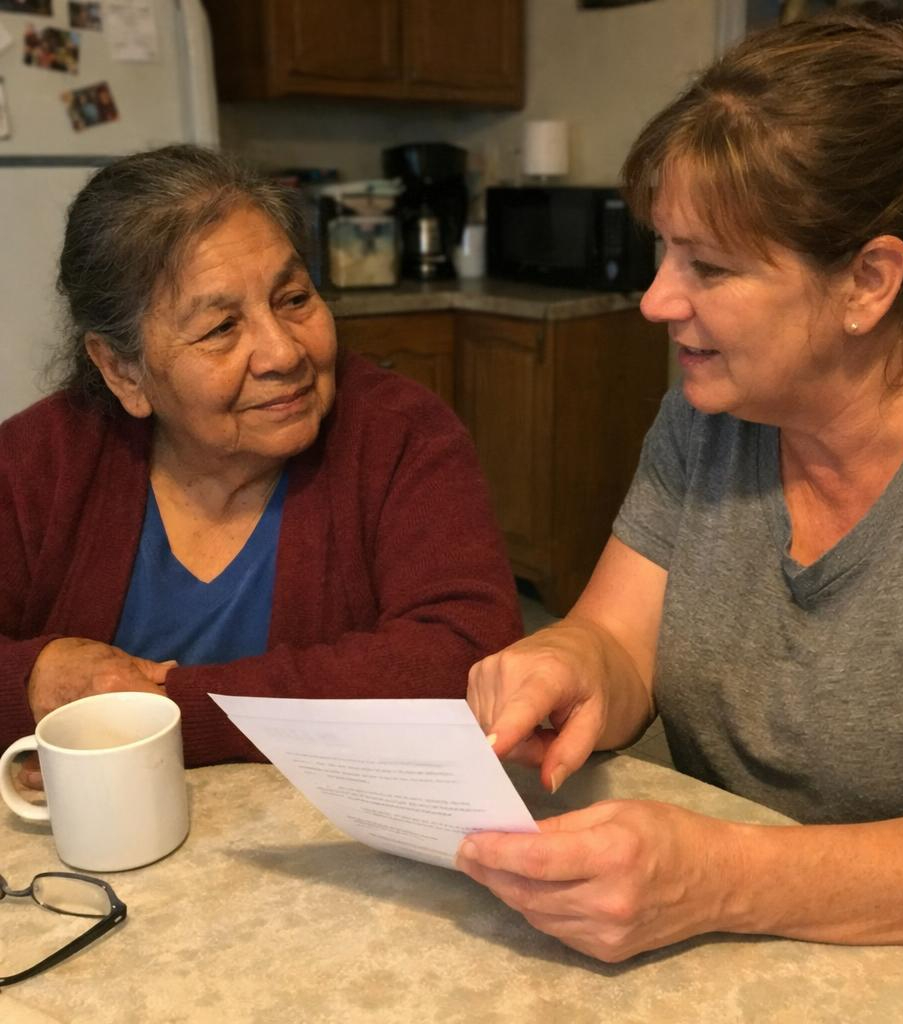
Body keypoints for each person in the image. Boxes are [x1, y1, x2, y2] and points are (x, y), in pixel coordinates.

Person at [457, 7, 903, 1007]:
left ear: (868, 280)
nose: (654, 300)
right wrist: (562, 661)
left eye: (707, 266)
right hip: (744, 958)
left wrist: (720, 876)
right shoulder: (716, 406)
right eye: (663, 250)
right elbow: (619, 643)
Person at [0, 145, 521, 773]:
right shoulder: (41, 461)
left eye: (294, 298)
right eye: (221, 328)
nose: (283, 353)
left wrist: (169, 716)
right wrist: (29, 679)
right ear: (121, 369)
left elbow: (465, 654)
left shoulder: (400, 436)